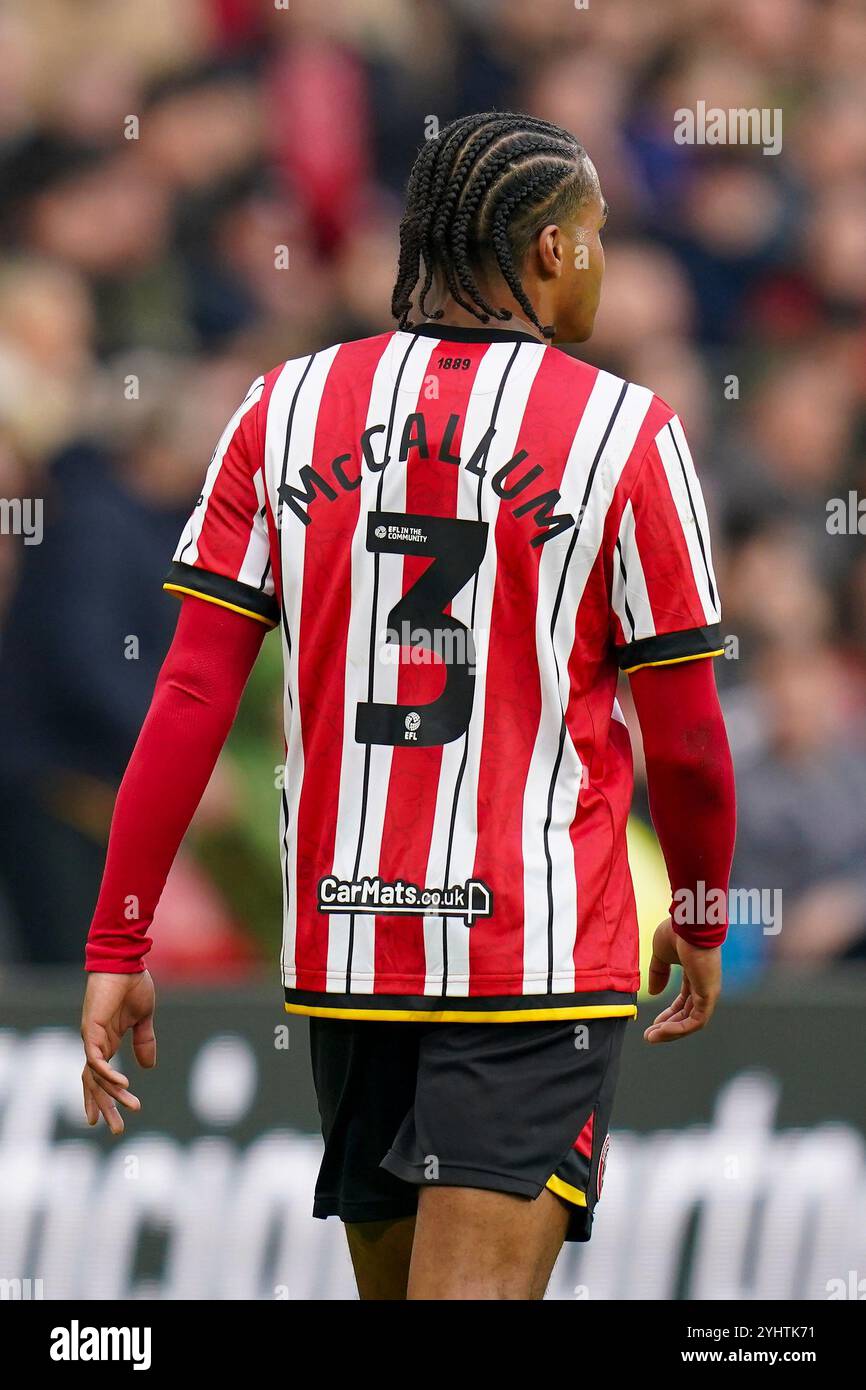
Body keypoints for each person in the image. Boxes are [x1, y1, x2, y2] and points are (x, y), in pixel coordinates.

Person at [81, 112, 736, 1301]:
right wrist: (697, 904)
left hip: (350, 944)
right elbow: (684, 733)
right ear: (547, 248)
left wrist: (117, 934)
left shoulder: (280, 409)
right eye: (594, 236)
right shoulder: (625, 431)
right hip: (530, 953)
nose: (601, 262)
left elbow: (186, 691)